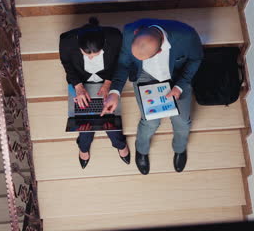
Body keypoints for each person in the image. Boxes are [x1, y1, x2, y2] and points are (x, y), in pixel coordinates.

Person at [101, 18, 203, 175]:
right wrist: (115, 92)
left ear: (160, 51)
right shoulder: (128, 32)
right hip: (144, 75)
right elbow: (124, 64)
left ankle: (179, 148)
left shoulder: (187, 36)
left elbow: (196, 59)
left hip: (176, 77)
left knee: (182, 122)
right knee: (150, 122)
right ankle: (141, 150)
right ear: (136, 33)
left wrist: (179, 87)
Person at [59, 17, 130, 169]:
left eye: (95, 55)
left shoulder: (115, 37)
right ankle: (84, 146)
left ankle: (119, 143)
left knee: (110, 118)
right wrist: (78, 87)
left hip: (106, 78)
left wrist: (108, 83)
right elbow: (67, 65)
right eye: (86, 54)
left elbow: (119, 61)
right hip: (80, 80)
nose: (90, 57)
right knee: (84, 120)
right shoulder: (66, 41)